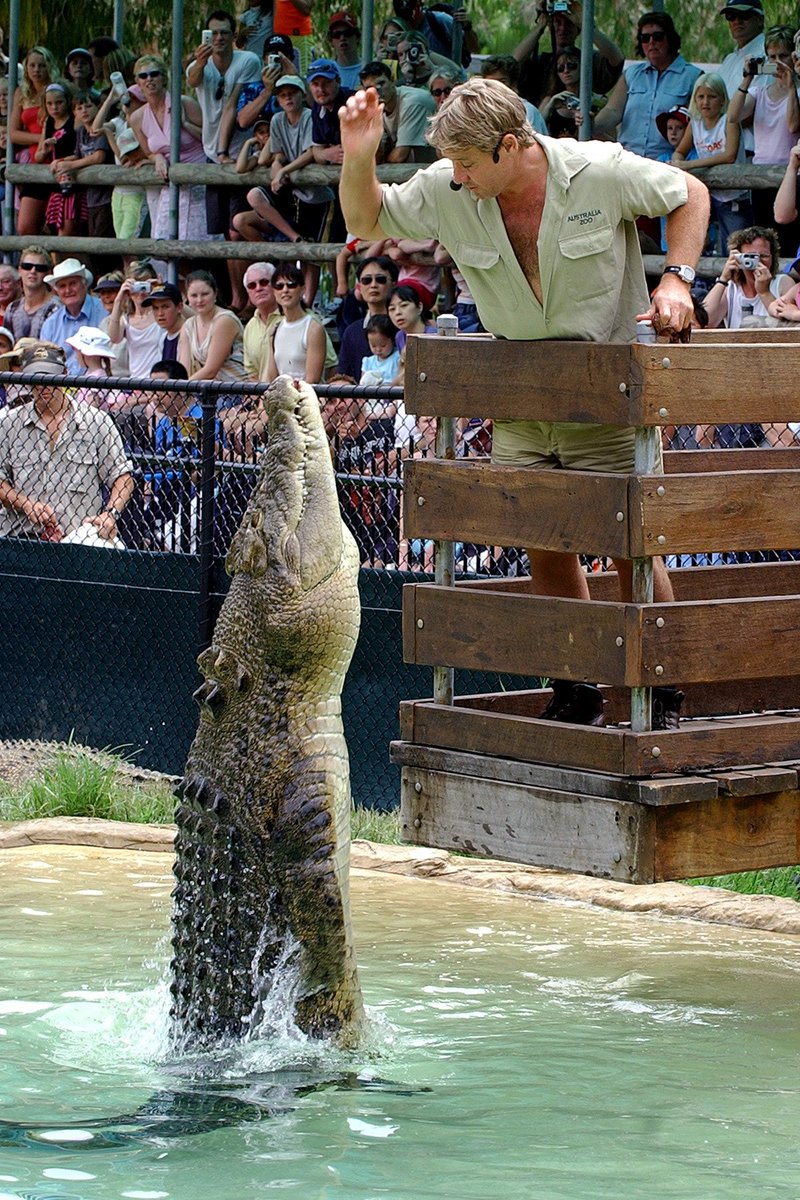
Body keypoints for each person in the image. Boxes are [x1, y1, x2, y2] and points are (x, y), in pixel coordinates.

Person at [338, 77, 709, 729]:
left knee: (631, 547)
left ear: (512, 146)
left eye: (469, 163)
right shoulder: (451, 185)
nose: (458, 177)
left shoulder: (597, 169)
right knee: (544, 541)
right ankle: (575, 686)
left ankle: (666, 693)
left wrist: (677, 278)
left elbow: (692, 195)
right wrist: (359, 154)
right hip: (519, 393)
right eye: (450, 163)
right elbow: (366, 219)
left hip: (606, 392)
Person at [0, 343, 134, 543]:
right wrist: (25, 504)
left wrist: (110, 514)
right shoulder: (9, 423)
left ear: (64, 373)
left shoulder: (95, 421)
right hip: (21, 536)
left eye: (49, 375)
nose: (42, 384)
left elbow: (122, 477)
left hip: (78, 538)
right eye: (35, 377)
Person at [186, 8, 262, 310]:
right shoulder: (199, 65)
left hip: (240, 150)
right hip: (211, 152)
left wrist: (224, 150)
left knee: (236, 228)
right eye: (213, 33)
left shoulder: (247, 62)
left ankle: (248, 296)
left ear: (233, 36)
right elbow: (191, 80)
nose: (218, 38)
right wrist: (201, 61)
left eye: (224, 33)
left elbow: (234, 106)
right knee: (222, 232)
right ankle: (235, 296)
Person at [592, 13, 702, 161]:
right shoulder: (630, 74)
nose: (651, 42)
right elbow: (613, 111)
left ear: (669, 38)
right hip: (628, 161)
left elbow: (700, 123)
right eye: (645, 38)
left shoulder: (694, 77)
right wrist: (591, 124)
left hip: (667, 163)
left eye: (657, 37)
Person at [727, 26, 800, 249]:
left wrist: (790, 88)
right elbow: (732, 116)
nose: (777, 62)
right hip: (760, 176)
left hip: (791, 177)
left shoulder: (797, 92)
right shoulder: (760, 93)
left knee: (789, 239)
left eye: (783, 56)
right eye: (772, 57)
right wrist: (747, 79)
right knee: (764, 240)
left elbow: (793, 125)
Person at [128, 54, 206, 245]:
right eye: (143, 76)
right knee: (163, 241)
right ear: (137, 82)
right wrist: (156, 158)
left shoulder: (184, 103)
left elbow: (209, 139)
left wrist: (185, 123)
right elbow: (148, 151)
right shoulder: (137, 117)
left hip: (199, 178)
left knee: (197, 242)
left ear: (163, 77)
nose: (149, 79)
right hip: (170, 184)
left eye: (154, 74)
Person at [671, 73, 750, 251]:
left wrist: (689, 165)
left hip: (734, 196)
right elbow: (680, 151)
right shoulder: (695, 123)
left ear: (722, 100)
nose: (705, 102)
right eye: (701, 97)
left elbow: (729, 155)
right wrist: (677, 163)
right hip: (710, 194)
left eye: (712, 97)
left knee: (736, 245)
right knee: (703, 242)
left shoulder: (728, 121)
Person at [513, 0, 623, 110]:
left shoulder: (589, 60)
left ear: (578, 30)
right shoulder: (542, 62)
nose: (563, 28)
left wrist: (584, 23)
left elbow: (617, 59)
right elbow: (514, 62)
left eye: (569, 23)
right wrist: (541, 25)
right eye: (558, 22)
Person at [9, 45, 60, 236]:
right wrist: (41, 139)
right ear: (26, 67)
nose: (36, 70)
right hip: (34, 161)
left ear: (49, 67)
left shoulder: (59, 89)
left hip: (57, 156)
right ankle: (32, 262)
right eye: (32, 65)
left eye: (41, 65)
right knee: (25, 226)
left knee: (55, 225)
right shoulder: (21, 93)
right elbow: (13, 133)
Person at [178, 269, 251, 401]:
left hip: (234, 391)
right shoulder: (188, 326)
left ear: (215, 293)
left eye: (205, 294)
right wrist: (179, 391)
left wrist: (180, 389)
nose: (199, 300)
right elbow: (184, 370)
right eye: (194, 295)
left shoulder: (225, 320)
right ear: (187, 297)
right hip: (206, 392)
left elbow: (211, 370)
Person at [359, 60, 437, 163]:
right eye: (370, 88)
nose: (377, 91)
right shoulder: (376, 108)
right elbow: (375, 157)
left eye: (381, 84)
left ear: (392, 80)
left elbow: (400, 155)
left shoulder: (412, 101)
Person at [40, 258, 107, 373]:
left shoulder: (104, 312)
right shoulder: (50, 325)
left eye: (73, 283)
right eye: (62, 286)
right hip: (61, 387)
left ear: (84, 284)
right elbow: (45, 363)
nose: (68, 290)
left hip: (101, 386)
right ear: (57, 292)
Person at [337, 255, 399, 378]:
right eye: (366, 280)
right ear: (359, 287)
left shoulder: (403, 327)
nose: (373, 285)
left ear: (394, 284)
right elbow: (343, 376)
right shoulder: (352, 332)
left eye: (380, 279)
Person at [266, 262, 327, 381]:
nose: (285, 290)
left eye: (291, 285)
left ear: (303, 289)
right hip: (280, 395)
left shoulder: (313, 329)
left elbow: (312, 380)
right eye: (279, 286)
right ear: (274, 291)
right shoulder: (275, 328)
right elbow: (271, 377)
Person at [3, 248, 59, 341]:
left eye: (40, 268)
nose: (33, 271)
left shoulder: (56, 308)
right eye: (27, 266)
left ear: (48, 273)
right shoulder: (12, 308)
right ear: (19, 270)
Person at [241, 261, 280, 377]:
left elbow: (330, 364)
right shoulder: (250, 327)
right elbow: (252, 375)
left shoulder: (295, 318)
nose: (258, 288)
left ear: (275, 284)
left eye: (263, 282)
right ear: (248, 292)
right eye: (252, 285)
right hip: (261, 394)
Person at [141, 282, 186, 362]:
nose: (160, 313)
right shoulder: (163, 339)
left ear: (179, 307)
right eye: (155, 308)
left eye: (165, 307)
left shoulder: (189, 333)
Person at [327, 10, 363, 90]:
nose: (342, 38)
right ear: (331, 41)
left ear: (357, 37)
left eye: (348, 33)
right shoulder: (327, 71)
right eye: (337, 35)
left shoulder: (367, 66)